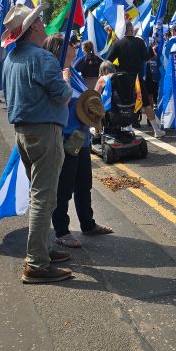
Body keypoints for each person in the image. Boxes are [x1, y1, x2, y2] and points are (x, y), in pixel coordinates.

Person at [1, 3, 73, 284]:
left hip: (23, 132)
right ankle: (37, 264)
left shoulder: (11, 58)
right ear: (33, 27)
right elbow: (62, 95)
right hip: (44, 132)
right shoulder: (42, 58)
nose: (44, 24)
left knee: (39, 195)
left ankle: (43, 249)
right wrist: (65, 78)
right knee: (44, 197)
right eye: (40, 20)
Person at [44, 34, 113, 248]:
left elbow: (83, 98)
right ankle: (62, 231)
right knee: (64, 188)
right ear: (60, 49)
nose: (75, 48)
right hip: (65, 138)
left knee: (84, 184)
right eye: (71, 45)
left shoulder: (72, 70)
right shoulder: (55, 72)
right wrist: (64, 78)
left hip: (80, 138)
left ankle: (88, 224)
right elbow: (62, 101)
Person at [107, 22, 164, 137]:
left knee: (126, 103)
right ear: (131, 29)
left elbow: (109, 60)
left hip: (123, 79)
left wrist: (119, 67)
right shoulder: (139, 42)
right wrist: (150, 50)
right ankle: (156, 130)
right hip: (137, 78)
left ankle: (128, 128)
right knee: (146, 103)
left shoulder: (118, 43)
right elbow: (146, 58)